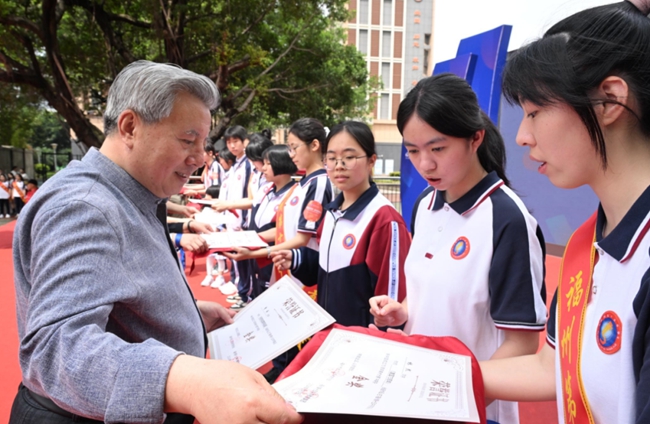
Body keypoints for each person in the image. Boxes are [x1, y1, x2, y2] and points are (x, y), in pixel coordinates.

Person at [10, 60, 302, 424]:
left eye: (203, 142)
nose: (198, 158)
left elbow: (119, 294)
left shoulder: (129, 195)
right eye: (187, 139)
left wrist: (186, 314)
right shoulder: (85, 206)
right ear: (130, 127)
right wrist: (188, 383)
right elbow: (57, 350)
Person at [478, 2, 650, 423]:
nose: (521, 136)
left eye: (535, 112)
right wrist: (430, 371)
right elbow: (551, 366)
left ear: (609, 100)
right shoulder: (584, 246)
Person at [369, 73, 547, 424]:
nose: (425, 164)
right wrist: (401, 312)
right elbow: (433, 294)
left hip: (474, 408)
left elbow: (523, 343)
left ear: (475, 138)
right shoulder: (424, 204)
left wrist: (458, 392)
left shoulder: (506, 219)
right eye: (413, 151)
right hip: (415, 395)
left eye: (437, 149)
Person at [273, 121, 411, 327]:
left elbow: (392, 303)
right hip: (329, 333)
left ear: (371, 160)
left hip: (359, 342)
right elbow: (328, 267)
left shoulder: (384, 219)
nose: (339, 165)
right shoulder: (331, 212)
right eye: (331, 158)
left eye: (349, 157)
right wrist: (297, 259)